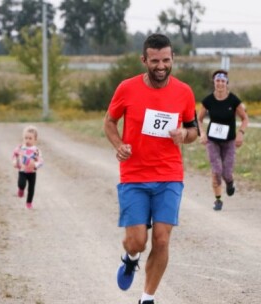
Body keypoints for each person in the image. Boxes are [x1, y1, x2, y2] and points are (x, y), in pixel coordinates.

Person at [103, 33, 199, 304]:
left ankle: (147, 297)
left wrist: (184, 134)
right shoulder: (127, 88)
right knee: (137, 241)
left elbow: (193, 130)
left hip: (169, 175)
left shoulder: (184, 92)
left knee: (162, 240)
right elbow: (109, 122)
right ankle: (130, 258)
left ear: (173, 59)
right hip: (134, 175)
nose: (161, 66)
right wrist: (118, 144)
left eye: (166, 60)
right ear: (144, 60)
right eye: (154, 60)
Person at [197, 69, 249, 211]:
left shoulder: (233, 100)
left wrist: (241, 133)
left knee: (226, 172)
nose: (220, 83)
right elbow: (199, 119)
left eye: (222, 81)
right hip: (212, 141)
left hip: (229, 141)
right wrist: (202, 133)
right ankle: (218, 200)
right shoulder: (208, 100)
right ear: (214, 83)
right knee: (217, 170)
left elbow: (244, 118)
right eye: (217, 81)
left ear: (226, 83)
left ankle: (230, 182)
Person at [12, 126, 43, 209]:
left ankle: (29, 203)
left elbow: (40, 161)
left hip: (32, 172)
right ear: (23, 138)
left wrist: (35, 165)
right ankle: (21, 189)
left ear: (35, 139)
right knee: (21, 184)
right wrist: (15, 162)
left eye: (30, 138)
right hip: (22, 170)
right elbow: (15, 155)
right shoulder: (20, 148)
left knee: (31, 188)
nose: (27, 140)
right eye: (26, 138)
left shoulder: (36, 151)